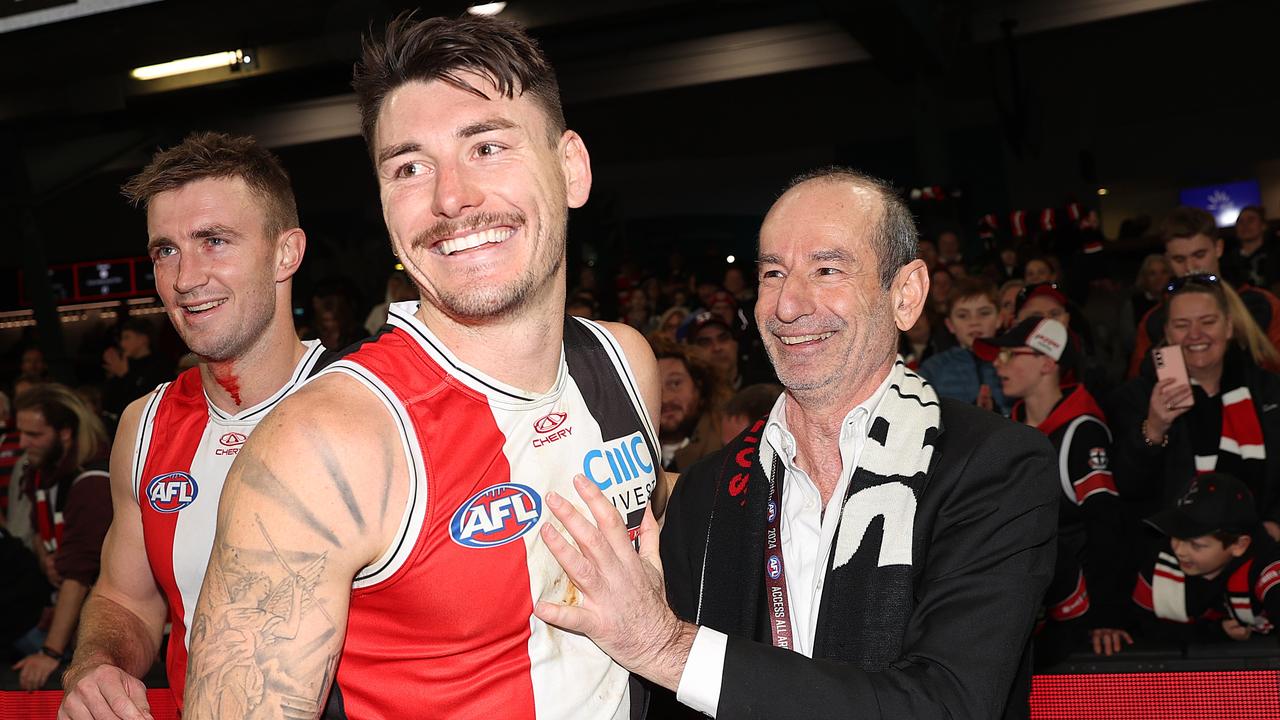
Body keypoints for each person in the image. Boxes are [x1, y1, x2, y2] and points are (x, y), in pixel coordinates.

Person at [185, 14, 662, 720]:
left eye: (488, 147)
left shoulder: (624, 362)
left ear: (572, 169)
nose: (450, 198)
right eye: (409, 167)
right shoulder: (324, 445)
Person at [533, 167, 1060, 719]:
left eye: (827, 269)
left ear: (906, 295)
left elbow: (946, 705)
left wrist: (666, 647)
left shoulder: (994, 466)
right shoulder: (709, 493)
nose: (788, 306)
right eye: (773, 273)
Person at [58, 131, 326, 719]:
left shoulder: (366, 404)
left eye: (214, 241)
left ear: (286, 253)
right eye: (166, 251)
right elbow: (127, 598)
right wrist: (96, 665)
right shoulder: (146, 425)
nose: (185, 278)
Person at [975, 318, 1130, 661]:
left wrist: (1106, 616)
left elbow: (1107, 529)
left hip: (1075, 616)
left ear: (1048, 362)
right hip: (1025, 609)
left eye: (1012, 355)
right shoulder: (1009, 430)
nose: (998, 365)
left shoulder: (1083, 431)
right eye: (999, 356)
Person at [1108, 274, 1280, 542]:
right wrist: (1153, 429)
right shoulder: (1135, 397)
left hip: (1257, 550)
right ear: (1167, 333)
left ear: (1229, 327)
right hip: (1170, 555)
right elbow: (1128, 488)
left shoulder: (1269, 391)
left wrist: (1276, 523)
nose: (1195, 334)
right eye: (1181, 325)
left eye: (1208, 322)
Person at [11, 384, 111, 691]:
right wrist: (47, 559)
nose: (22, 442)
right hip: (66, 613)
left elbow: (79, 575)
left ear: (65, 433)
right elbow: (41, 533)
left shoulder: (93, 482)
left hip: (101, 627)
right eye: (21, 432)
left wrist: (50, 653)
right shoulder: (40, 471)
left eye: (34, 435)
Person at [1127, 207, 1280, 378]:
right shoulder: (1154, 321)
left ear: (1218, 248)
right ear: (1168, 259)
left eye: (1199, 255)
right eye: (1179, 259)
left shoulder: (1262, 304)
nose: (1190, 268)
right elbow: (1139, 387)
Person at [1133, 473, 1280, 644]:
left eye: (1196, 545)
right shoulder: (1162, 559)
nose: (1179, 550)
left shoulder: (1266, 563)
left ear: (1239, 545)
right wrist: (1214, 632)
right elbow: (1142, 630)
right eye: (1175, 536)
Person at [917, 276, 1010, 414]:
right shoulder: (934, 368)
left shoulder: (1013, 363)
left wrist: (997, 413)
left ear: (999, 319)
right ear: (950, 325)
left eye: (984, 313)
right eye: (963, 315)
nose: (974, 322)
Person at [654, 340, 726, 471]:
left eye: (675, 383)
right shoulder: (639, 455)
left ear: (699, 386)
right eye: (656, 389)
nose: (665, 399)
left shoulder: (727, 442)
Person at [102, 318, 172, 417]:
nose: (122, 344)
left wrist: (124, 375)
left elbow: (149, 402)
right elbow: (109, 405)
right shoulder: (123, 363)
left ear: (143, 339)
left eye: (127, 337)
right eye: (122, 339)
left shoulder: (159, 366)